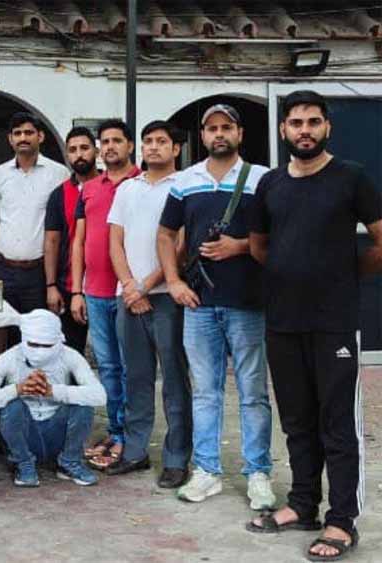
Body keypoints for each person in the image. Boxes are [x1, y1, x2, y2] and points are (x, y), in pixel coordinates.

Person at [246, 90, 382, 561]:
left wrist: (344, 274)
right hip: (283, 320)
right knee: (297, 420)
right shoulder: (271, 184)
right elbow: (259, 246)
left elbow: (380, 241)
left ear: (327, 127)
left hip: (334, 322)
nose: (304, 130)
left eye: (313, 122)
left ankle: (341, 520)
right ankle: (303, 504)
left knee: (337, 424)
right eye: (296, 122)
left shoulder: (351, 178)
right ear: (283, 130)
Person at [156, 104, 274, 508]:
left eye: (226, 127)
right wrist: (173, 281)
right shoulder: (185, 181)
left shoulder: (262, 179)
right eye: (211, 129)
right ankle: (207, 471)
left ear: (239, 134)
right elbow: (165, 234)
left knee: (253, 392)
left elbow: (278, 234)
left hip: (248, 302)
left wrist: (239, 246)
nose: (219, 134)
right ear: (202, 136)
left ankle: (258, 473)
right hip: (199, 303)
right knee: (205, 392)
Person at [105, 120, 192, 488]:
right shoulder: (128, 188)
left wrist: (145, 287)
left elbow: (181, 246)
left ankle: (176, 458)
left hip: (167, 297)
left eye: (161, 141)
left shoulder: (185, 185)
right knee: (136, 378)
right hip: (128, 297)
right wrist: (129, 286)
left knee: (174, 380)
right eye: (148, 141)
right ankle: (135, 451)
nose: (153, 147)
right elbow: (115, 241)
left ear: (176, 148)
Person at [70, 119, 140, 470]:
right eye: (105, 142)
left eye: (117, 140)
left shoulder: (142, 183)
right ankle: (114, 431)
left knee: (131, 369)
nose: (110, 146)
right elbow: (79, 242)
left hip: (130, 292)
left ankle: (131, 436)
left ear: (130, 145)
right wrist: (76, 290)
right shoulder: (89, 189)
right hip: (95, 293)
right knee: (108, 368)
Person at [0, 309, 104, 487]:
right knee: (11, 405)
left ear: (59, 340)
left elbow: (100, 396)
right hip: (24, 433)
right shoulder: (9, 358)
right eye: (33, 344)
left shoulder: (70, 356)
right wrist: (17, 389)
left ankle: (69, 462)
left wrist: (53, 391)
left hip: (57, 431)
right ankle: (23, 463)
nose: (40, 351)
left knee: (84, 403)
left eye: (47, 346)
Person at [0, 112, 70, 314]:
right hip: (2, 270)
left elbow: (62, 224)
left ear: (40, 136)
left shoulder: (59, 173)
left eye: (28, 132)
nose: (23, 138)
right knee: (2, 326)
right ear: (10, 139)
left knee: (38, 326)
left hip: (39, 272)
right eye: (17, 133)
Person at [44, 126, 99, 354]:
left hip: (105, 286)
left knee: (110, 357)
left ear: (96, 151)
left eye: (85, 148)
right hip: (68, 286)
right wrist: (51, 286)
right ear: (67, 155)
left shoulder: (113, 188)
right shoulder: (59, 194)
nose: (79, 154)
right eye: (73, 150)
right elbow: (52, 241)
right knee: (69, 354)